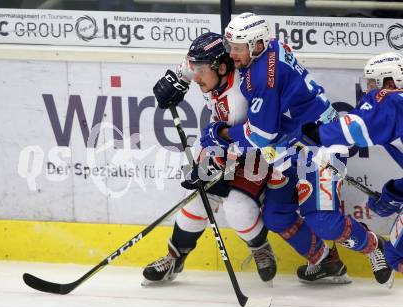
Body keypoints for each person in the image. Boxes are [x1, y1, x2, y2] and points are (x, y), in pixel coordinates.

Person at [200, 12, 393, 284]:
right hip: (291, 147)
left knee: (324, 220)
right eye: (231, 47)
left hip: (321, 147)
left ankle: (375, 245)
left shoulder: (263, 78)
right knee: (277, 216)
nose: (232, 54)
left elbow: (259, 136)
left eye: (238, 48)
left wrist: (219, 133)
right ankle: (326, 260)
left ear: (256, 45)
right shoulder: (269, 48)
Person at [142, 32, 276, 285]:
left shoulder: (239, 95)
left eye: (201, 71)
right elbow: (188, 67)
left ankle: (260, 247)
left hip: (253, 151)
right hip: (220, 140)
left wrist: (218, 164)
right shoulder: (211, 71)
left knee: (238, 209)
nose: (197, 77)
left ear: (222, 67)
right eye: (196, 70)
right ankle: (175, 257)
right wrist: (178, 80)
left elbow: (245, 139)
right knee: (195, 201)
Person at [297, 52, 403, 274]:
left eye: (373, 82)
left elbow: (357, 125)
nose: (368, 89)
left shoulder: (392, 99)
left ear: (390, 82)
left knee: (396, 253)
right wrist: (395, 192)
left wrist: (320, 134)